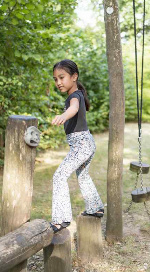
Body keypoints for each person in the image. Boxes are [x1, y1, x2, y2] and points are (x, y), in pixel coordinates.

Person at [50, 59, 104, 233]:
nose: (58, 82)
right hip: (86, 144)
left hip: (81, 145)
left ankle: (61, 219)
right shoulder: (78, 93)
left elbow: (73, 109)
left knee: (59, 176)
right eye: (55, 79)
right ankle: (95, 207)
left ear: (74, 76)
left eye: (62, 77)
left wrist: (64, 116)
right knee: (83, 175)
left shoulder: (74, 97)